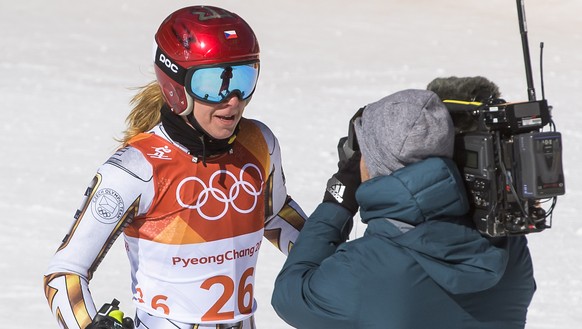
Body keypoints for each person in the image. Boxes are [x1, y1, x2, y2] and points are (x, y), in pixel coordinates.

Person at [43, 6, 307, 329]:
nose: (234, 99)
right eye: (214, 83)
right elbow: (63, 273)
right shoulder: (136, 168)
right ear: (175, 86)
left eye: (244, 77)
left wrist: (336, 257)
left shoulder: (259, 144)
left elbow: (275, 214)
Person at [271, 89, 536, 328]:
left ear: (373, 163)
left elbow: (290, 294)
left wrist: (336, 202)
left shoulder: (366, 269)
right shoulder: (508, 249)